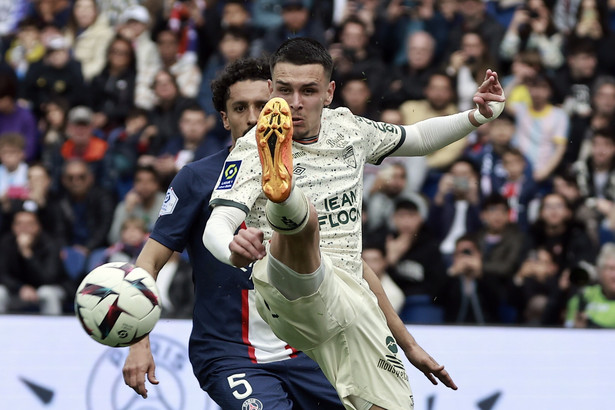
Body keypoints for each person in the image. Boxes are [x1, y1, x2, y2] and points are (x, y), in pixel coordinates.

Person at [204, 37, 505, 409]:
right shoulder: (252, 147)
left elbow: (419, 138)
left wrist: (478, 116)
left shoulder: (349, 129)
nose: (295, 103)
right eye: (284, 90)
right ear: (270, 90)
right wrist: (231, 249)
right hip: (288, 288)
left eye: (308, 91)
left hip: (351, 301)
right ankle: (283, 194)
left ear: (329, 93)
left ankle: (288, 202)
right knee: (303, 221)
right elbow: (217, 224)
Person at [123, 58, 345, 409]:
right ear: (225, 118)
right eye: (240, 108)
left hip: (306, 350)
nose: (254, 117)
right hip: (230, 355)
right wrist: (138, 341)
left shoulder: (310, 171)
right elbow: (147, 264)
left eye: (263, 105)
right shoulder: (196, 178)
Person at [0, 209, 71, 315]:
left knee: (46, 293)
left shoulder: (51, 244)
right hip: (17, 290)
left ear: (38, 226)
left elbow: (48, 278)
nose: (24, 228)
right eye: (19, 224)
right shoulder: (6, 243)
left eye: (29, 224)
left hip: (50, 288)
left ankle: (53, 330)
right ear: (13, 227)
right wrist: (20, 288)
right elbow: (2, 274)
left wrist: (27, 254)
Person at [565, 242, 615, 328]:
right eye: (610, 269)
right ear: (599, 271)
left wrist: (590, 325)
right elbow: (567, 325)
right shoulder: (585, 295)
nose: (614, 275)